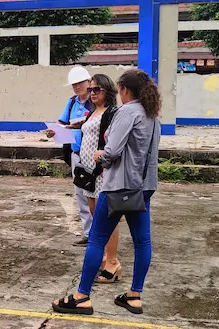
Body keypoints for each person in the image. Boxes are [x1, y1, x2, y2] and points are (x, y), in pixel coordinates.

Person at [52, 69, 161, 316]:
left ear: (124, 90)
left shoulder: (126, 112)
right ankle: (134, 295)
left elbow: (111, 153)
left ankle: (81, 297)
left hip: (119, 187)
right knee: (142, 241)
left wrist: (100, 155)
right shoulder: (152, 115)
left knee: (97, 238)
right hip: (143, 187)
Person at [76, 74, 122, 284]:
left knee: (108, 220)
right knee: (96, 218)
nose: (92, 93)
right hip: (89, 174)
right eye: (91, 89)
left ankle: (112, 262)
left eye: (97, 90)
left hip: (103, 173)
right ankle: (103, 256)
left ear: (107, 91)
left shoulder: (113, 113)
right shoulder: (93, 113)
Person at [46, 66, 94, 246]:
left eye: (80, 83)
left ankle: (98, 234)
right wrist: (53, 130)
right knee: (81, 194)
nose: (77, 87)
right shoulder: (72, 102)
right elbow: (62, 122)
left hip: (94, 156)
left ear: (89, 83)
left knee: (95, 195)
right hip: (76, 155)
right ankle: (89, 234)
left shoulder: (96, 101)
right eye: (74, 85)